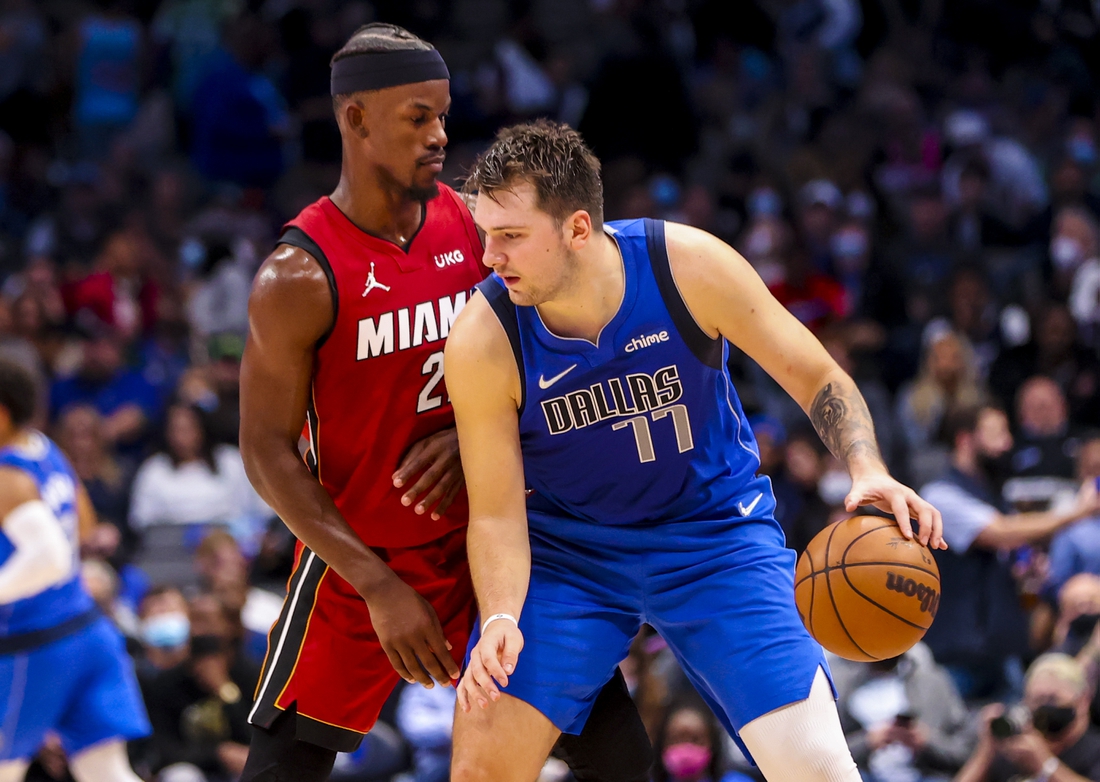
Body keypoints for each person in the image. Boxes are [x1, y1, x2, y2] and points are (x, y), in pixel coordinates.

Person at [445, 120, 945, 781]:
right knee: (480, 768)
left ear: (576, 228)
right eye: (485, 234)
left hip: (714, 538)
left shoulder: (687, 267)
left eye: (509, 236)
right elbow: (497, 514)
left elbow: (816, 375)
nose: (488, 256)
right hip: (573, 557)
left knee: (821, 768)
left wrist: (866, 466)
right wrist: (504, 612)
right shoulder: (484, 338)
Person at [237, 24, 649, 782]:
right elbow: (264, 452)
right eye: (417, 116)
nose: (441, 134)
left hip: (487, 545)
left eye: (443, 114)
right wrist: (377, 585)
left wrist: (472, 440)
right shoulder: (298, 275)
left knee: (621, 758)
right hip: (361, 562)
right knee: (278, 772)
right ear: (355, 118)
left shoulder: (474, 224)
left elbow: (549, 359)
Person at [0, 358, 149, 782]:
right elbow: (84, 526)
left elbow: (49, 558)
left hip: (35, 645)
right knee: (107, 774)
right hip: (89, 634)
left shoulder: (7, 476)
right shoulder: (46, 450)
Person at [920, 406, 1100, 700]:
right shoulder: (940, 495)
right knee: (955, 740)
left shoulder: (993, 494)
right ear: (966, 440)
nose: (1007, 445)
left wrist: (1023, 572)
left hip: (1001, 648)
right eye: (996, 434)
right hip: (957, 656)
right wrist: (1080, 511)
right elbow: (1001, 532)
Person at [954, 654, 1100, 782]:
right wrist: (986, 752)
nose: (1043, 707)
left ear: (1083, 701)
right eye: (1036, 700)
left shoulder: (1094, 751)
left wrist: (1046, 766)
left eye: (1052, 699)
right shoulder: (1016, 752)